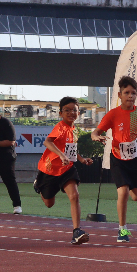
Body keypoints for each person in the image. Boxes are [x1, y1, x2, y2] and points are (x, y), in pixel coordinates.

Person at [91, 76, 137, 243]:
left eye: (133, 93)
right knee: (123, 192)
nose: (130, 96)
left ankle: (127, 190)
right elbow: (96, 132)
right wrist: (95, 137)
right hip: (118, 158)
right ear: (120, 95)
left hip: (135, 159)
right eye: (127, 93)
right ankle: (122, 230)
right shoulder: (113, 114)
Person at [34, 97, 94, 245]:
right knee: (49, 203)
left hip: (67, 169)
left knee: (74, 196)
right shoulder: (60, 127)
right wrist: (61, 155)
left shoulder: (74, 130)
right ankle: (39, 186)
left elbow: (71, 150)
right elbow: (47, 141)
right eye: (67, 110)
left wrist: (81, 160)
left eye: (74, 110)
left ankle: (76, 231)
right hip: (50, 170)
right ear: (61, 113)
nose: (71, 113)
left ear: (78, 112)